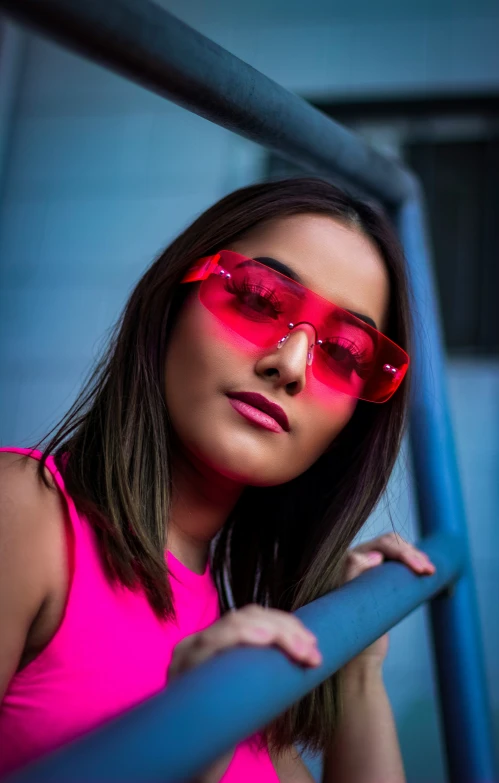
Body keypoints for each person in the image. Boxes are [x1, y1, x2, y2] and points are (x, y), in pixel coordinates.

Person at [0, 177, 435, 783]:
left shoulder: (250, 645)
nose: (288, 365)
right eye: (259, 299)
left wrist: (359, 666)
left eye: (344, 352)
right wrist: (187, 737)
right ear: (175, 296)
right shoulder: (20, 510)